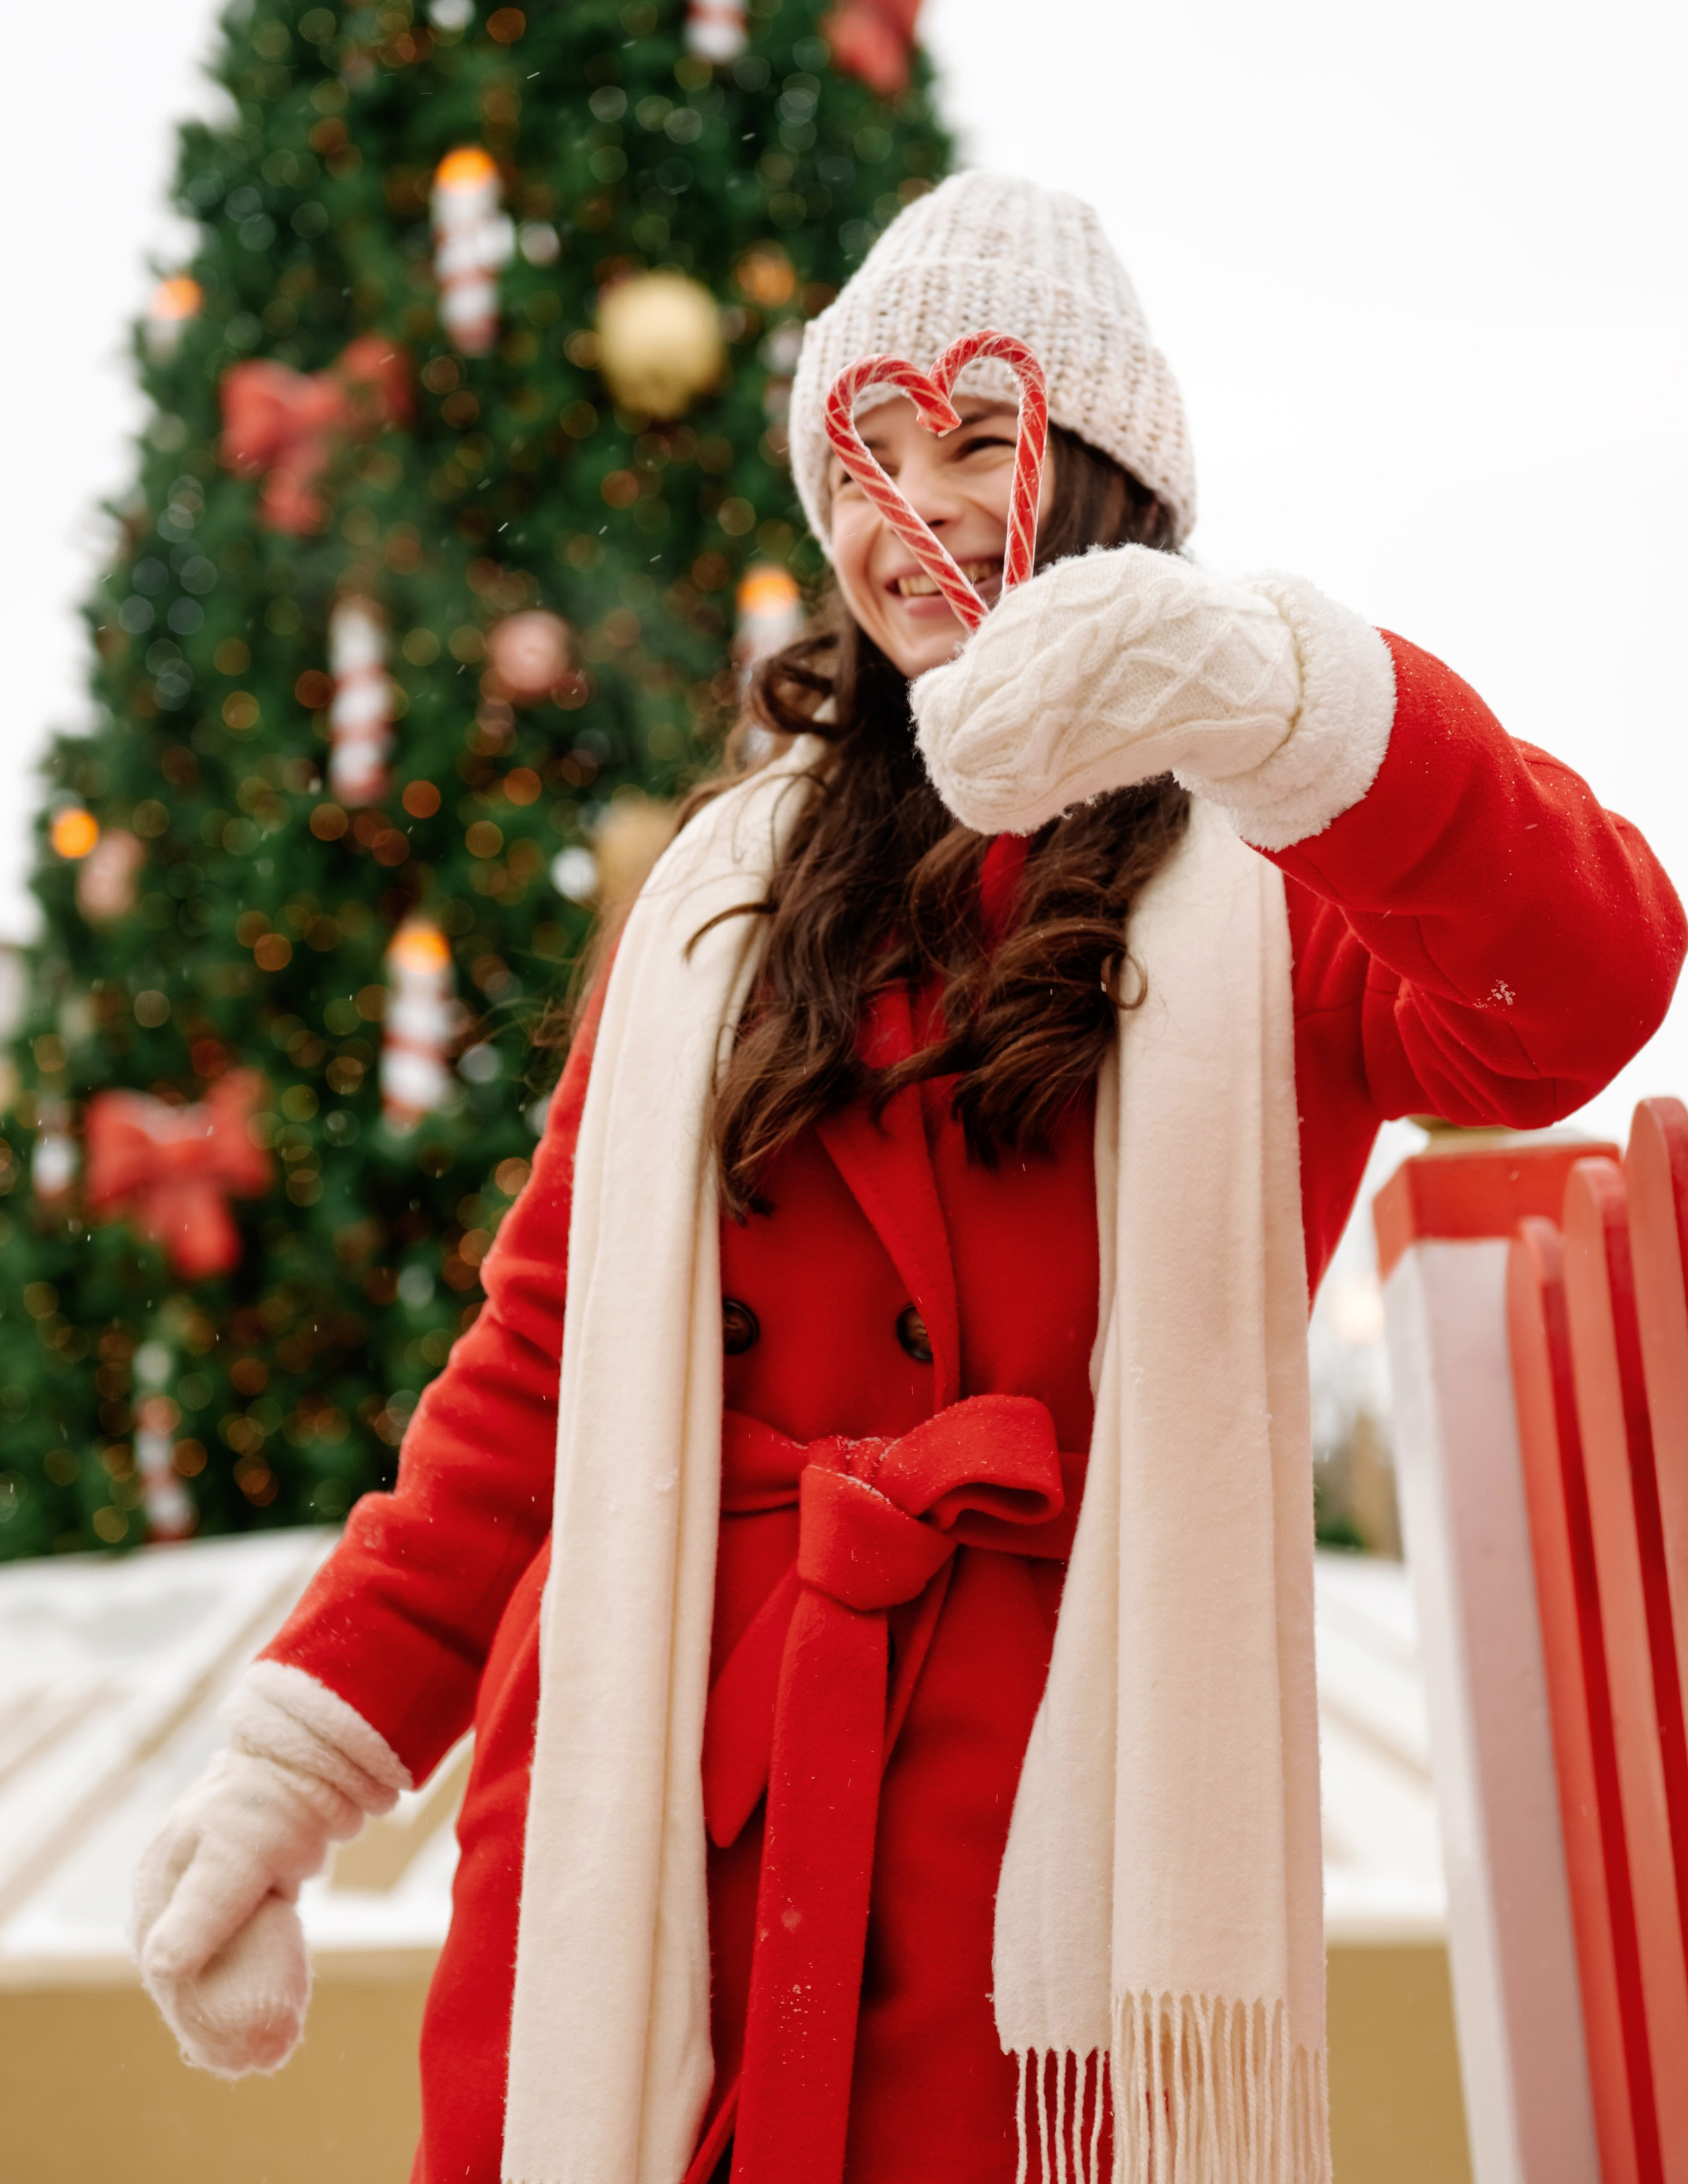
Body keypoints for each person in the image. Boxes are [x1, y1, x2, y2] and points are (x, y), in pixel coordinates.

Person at [133, 174, 1684, 2184]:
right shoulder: (712, 902)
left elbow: (1582, 984)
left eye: (978, 438)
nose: (916, 506)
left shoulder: (1274, 871)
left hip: (1050, 1895)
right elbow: (532, 1379)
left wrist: (1278, 702)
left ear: (1108, 476)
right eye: (865, 455)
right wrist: (295, 1766)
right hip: (646, 1838)